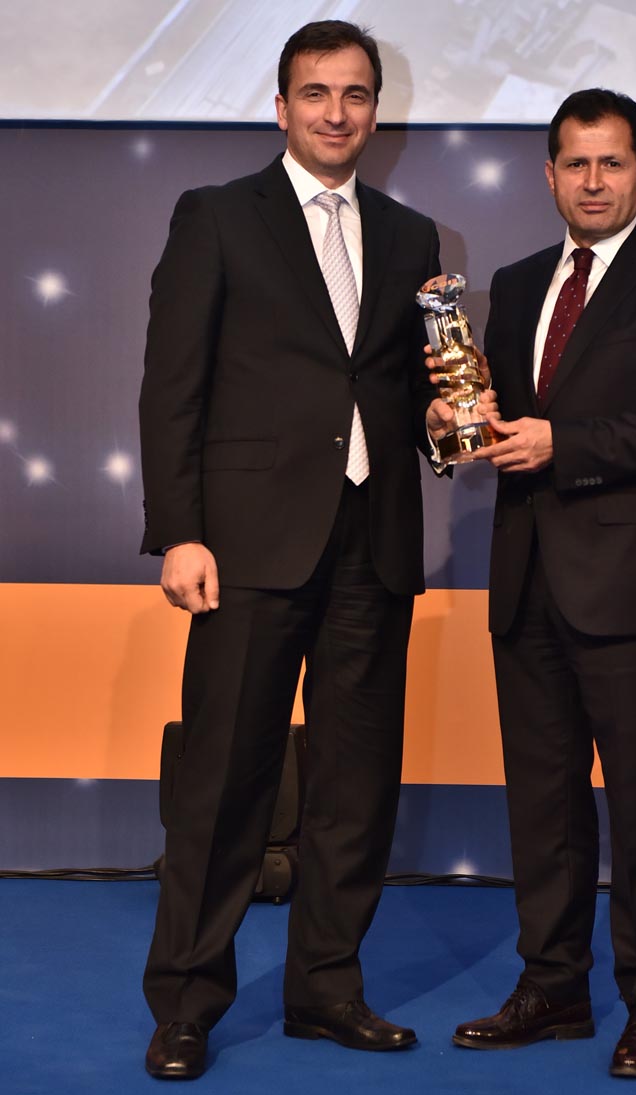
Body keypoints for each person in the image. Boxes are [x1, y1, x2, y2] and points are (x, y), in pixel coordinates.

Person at [138, 20, 467, 1081]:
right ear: (281, 107)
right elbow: (172, 385)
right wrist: (179, 529)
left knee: (354, 785)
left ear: (377, 110)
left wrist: (449, 422)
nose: (337, 112)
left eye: (356, 93)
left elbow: (401, 389)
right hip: (247, 547)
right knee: (225, 783)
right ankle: (186, 1003)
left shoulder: (412, 235)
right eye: (316, 93)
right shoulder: (216, 216)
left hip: (374, 544)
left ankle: (327, 989)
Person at [452, 88, 636, 1077]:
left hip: (631, 585)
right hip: (526, 579)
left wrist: (562, 444)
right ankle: (553, 987)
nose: (594, 181)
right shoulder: (517, 282)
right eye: (576, 163)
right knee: (544, 807)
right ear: (550, 175)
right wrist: (455, 423)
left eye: (613, 163)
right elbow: (497, 417)